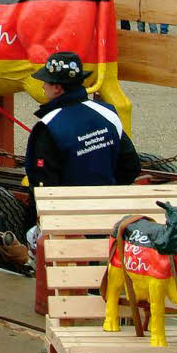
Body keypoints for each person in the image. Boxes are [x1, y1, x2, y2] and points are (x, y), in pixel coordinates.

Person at [24, 51, 140, 225]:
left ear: (57, 88)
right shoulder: (107, 111)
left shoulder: (48, 126)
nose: (42, 86)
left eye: (45, 82)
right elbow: (131, 166)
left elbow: (43, 188)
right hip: (111, 213)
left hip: (70, 220)